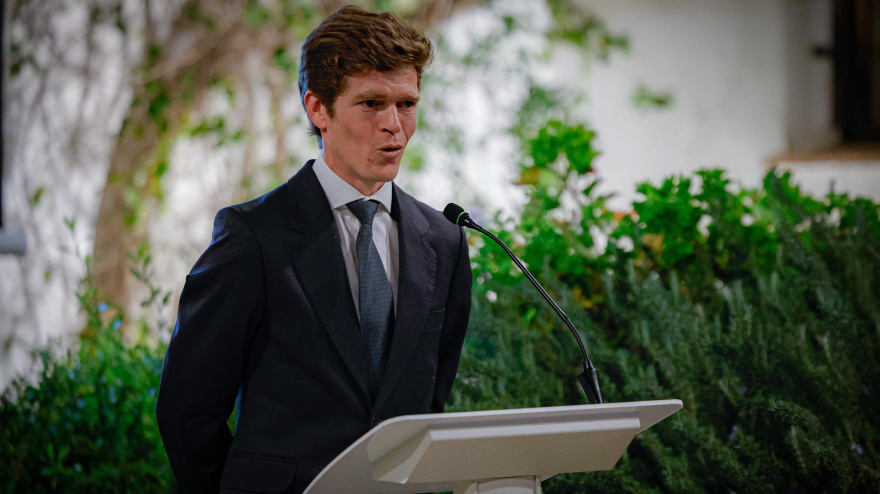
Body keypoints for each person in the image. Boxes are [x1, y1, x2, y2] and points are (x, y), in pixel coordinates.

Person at [155, 6, 472, 494]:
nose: (395, 126)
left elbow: (431, 400)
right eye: (371, 104)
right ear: (317, 108)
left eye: (406, 104)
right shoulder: (251, 236)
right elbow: (187, 411)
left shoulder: (444, 240)